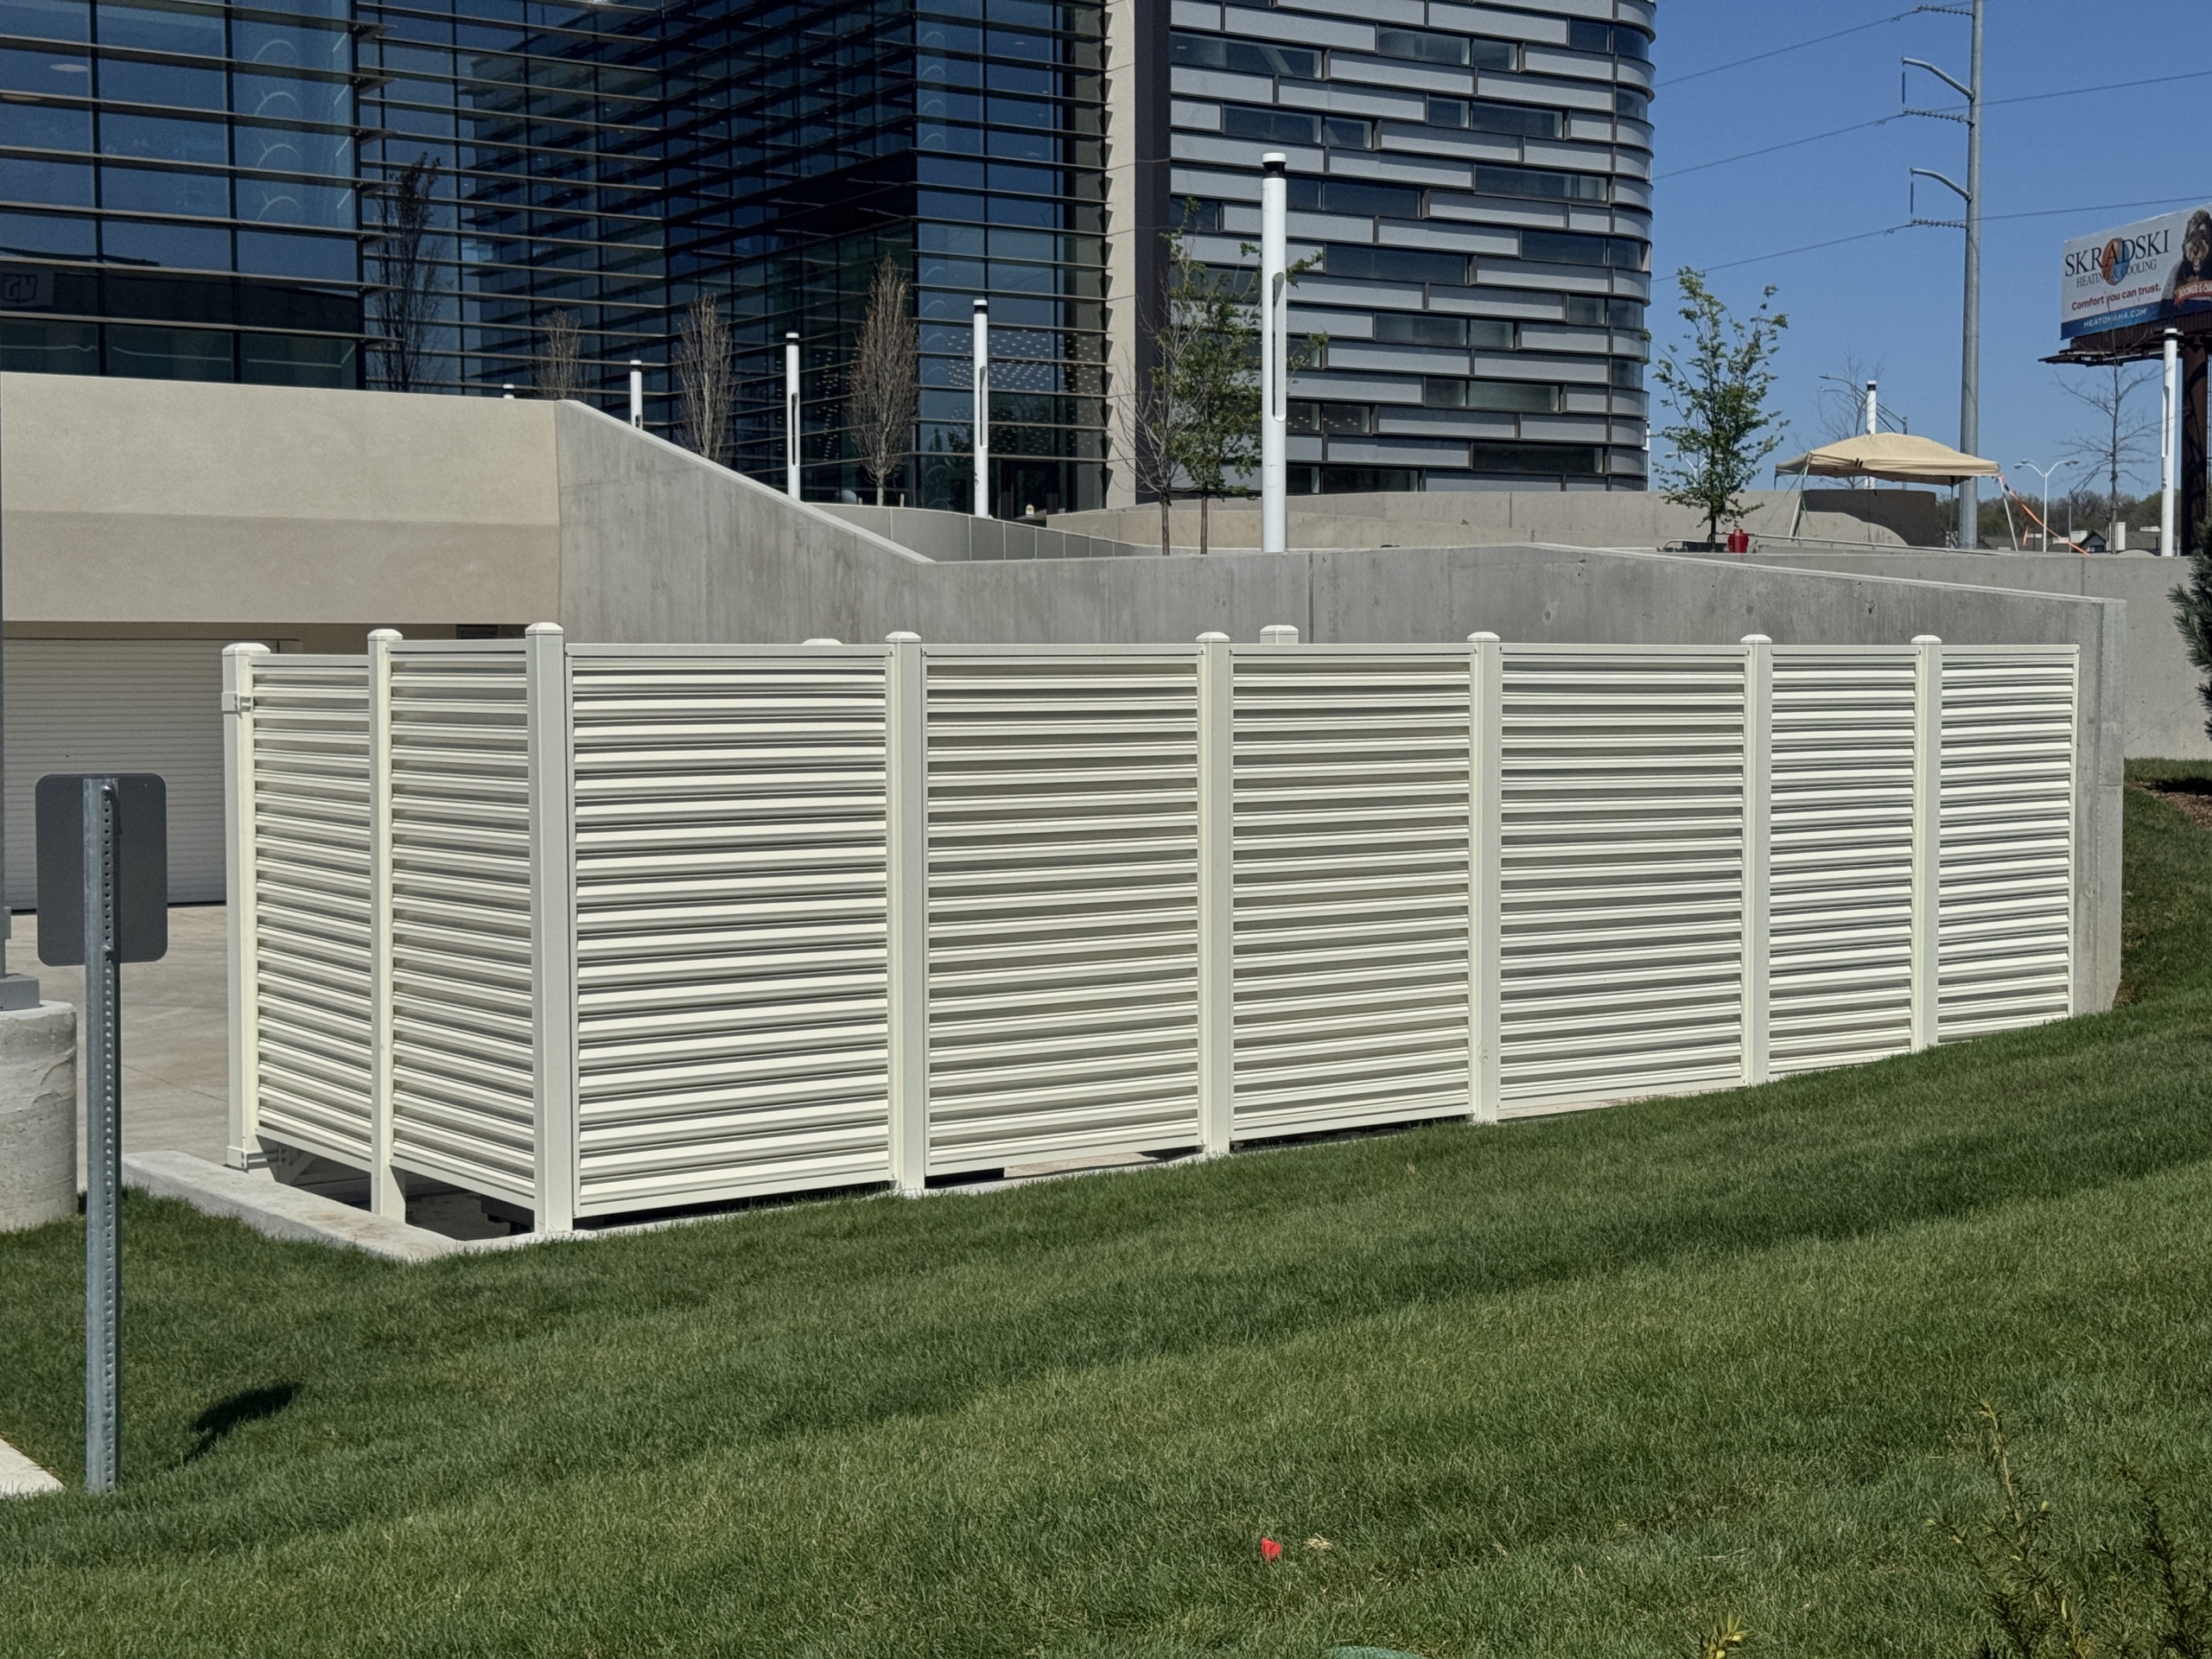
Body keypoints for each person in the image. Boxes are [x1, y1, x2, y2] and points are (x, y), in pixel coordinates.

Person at [2164, 209, 2212, 313]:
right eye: (2192, 236)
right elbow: (2164, 309)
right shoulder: (2178, 270)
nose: (2195, 246)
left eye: (2203, 237)